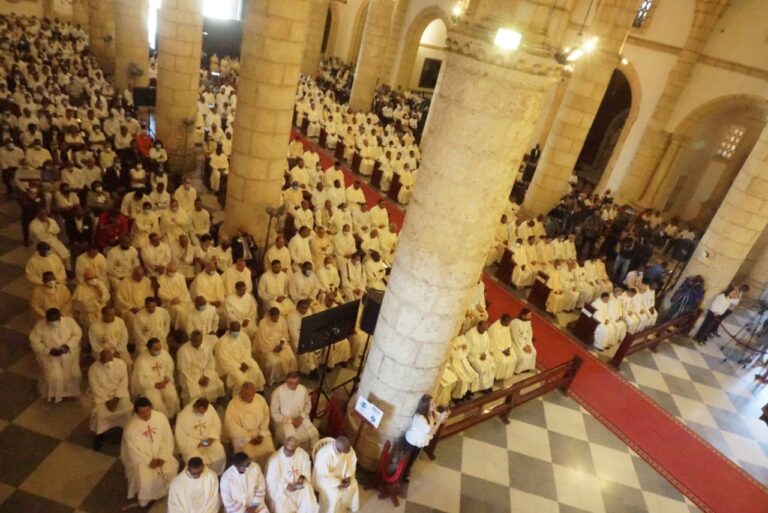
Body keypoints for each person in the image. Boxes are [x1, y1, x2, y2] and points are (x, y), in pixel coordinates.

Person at [121, 397, 177, 509]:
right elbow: (131, 450)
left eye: (147, 410)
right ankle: (146, 498)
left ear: (151, 408)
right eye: (141, 412)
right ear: (136, 413)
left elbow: (168, 438)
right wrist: (148, 461)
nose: (145, 414)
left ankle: (167, 491)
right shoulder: (131, 427)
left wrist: (162, 456)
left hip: (161, 455)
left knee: (170, 468)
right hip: (142, 460)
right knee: (145, 478)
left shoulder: (160, 418)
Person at [29, 308, 82, 403]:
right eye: (50, 321)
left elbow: (77, 334)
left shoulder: (70, 322)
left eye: (55, 320)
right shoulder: (39, 326)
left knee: (73, 374)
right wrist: (48, 351)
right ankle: (54, 395)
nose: (53, 323)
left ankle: (70, 394)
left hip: (68, 354)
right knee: (54, 377)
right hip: (50, 357)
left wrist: (68, 345)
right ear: (46, 319)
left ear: (59, 317)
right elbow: (34, 342)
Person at [88, 349, 132, 451]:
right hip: (102, 397)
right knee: (101, 414)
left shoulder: (121, 364)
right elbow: (95, 388)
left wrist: (116, 399)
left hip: (119, 395)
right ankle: (99, 435)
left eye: (110, 360)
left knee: (127, 409)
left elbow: (123, 382)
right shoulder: (93, 369)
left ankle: (126, 431)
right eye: (105, 361)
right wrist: (107, 401)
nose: (108, 364)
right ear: (100, 359)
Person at [224, 382, 276, 468]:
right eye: (246, 394)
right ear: (240, 393)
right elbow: (232, 426)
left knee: (269, 452)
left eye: (252, 394)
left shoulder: (260, 400)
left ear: (255, 392)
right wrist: (248, 438)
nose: (250, 398)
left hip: (259, 432)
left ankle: (267, 470)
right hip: (242, 436)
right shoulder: (233, 405)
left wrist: (261, 434)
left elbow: (266, 417)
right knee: (246, 456)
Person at [401, 395, 449, 482]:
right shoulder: (419, 417)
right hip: (411, 442)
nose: (435, 405)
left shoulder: (432, 413)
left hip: (419, 442)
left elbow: (441, 419)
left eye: (434, 403)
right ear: (425, 406)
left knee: (413, 459)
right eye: (432, 404)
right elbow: (431, 432)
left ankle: (406, 473)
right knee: (405, 461)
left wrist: (445, 415)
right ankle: (399, 476)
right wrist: (439, 421)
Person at [266, 436, 319, 513]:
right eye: (287, 449)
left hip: (298, 485)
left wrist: (302, 476)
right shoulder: (275, 459)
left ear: (296, 448)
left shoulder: (302, 454)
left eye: (292, 451)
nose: (289, 453)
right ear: (284, 445)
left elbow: (306, 465)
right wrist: (286, 486)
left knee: (308, 493)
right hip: (283, 489)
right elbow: (272, 479)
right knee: (282, 506)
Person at [175, 398, 227, 475]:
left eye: (204, 412)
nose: (202, 414)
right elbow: (181, 437)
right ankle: (199, 479)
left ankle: (214, 476)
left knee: (220, 453)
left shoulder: (210, 409)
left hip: (209, 440)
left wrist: (211, 437)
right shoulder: (183, 416)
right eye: (200, 412)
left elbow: (216, 425)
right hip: (192, 446)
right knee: (196, 461)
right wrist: (199, 443)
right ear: (195, 407)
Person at [131, 338, 180, 418]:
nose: (159, 350)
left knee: (172, 396)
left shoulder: (164, 354)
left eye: (159, 348)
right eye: (156, 349)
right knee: (156, 402)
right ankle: (162, 419)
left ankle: (171, 417)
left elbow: (170, 367)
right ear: (149, 349)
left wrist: (166, 379)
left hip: (164, 381)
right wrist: (154, 384)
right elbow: (141, 379)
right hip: (150, 386)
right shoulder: (142, 360)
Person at [270, 372, 319, 451]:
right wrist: (291, 421)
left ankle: (306, 452)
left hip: (301, 418)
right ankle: (292, 454)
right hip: (285, 420)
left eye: (296, 383)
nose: (294, 386)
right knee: (293, 441)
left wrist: (301, 417)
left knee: (314, 433)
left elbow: (308, 405)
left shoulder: (302, 389)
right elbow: (274, 413)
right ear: (286, 381)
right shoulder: (277, 392)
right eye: (291, 383)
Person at [312, 436, 360, 513]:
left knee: (353, 484)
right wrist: (338, 483)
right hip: (327, 480)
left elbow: (351, 461)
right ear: (339, 449)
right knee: (336, 495)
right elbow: (323, 475)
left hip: (343, 475)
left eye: (349, 449)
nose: (348, 451)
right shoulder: (324, 455)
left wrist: (348, 475)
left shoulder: (347, 448)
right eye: (345, 451)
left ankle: (348, 505)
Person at [177, 330, 226, 403]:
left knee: (218, 384)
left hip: (205, 373)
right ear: (191, 340)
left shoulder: (206, 346)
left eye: (200, 340)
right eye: (195, 341)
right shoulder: (183, 350)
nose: (198, 343)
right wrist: (198, 379)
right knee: (195, 392)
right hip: (190, 376)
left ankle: (209, 403)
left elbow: (211, 361)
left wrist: (206, 376)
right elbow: (183, 369)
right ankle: (194, 405)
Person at [255, 307, 298, 386]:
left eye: (277, 316)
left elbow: (285, 334)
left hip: (280, 344)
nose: (276, 319)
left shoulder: (282, 320)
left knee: (291, 358)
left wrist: (281, 345)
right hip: (267, 347)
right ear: (270, 316)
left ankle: (287, 376)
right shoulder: (263, 323)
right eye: (274, 317)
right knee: (273, 362)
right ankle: (272, 380)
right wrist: (273, 348)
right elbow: (262, 340)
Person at [487, 314, 519, 381]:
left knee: (514, 358)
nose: (509, 324)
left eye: (509, 322)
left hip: (506, 347)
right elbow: (493, 342)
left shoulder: (507, 326)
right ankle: (496, 376)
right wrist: (503, 350)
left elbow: (508, 338)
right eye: (507, 322)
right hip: (496, 349)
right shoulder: (494, 329)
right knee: (503, 361)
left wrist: (508, 347)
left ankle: (504, 376)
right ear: (502, 321)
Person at [510, 308, 537, 373]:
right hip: (515, 342)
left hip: (525, 342)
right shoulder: (515, 323)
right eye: (528, 315)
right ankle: (518, 370)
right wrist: (523, 347)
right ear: (523, 316)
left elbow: (529, 334)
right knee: (522, 356)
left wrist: (529, 344)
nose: (530, 317)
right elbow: (515, 336)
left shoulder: (528, 322)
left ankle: (527, 368)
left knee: (534, 352)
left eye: (530, 315)